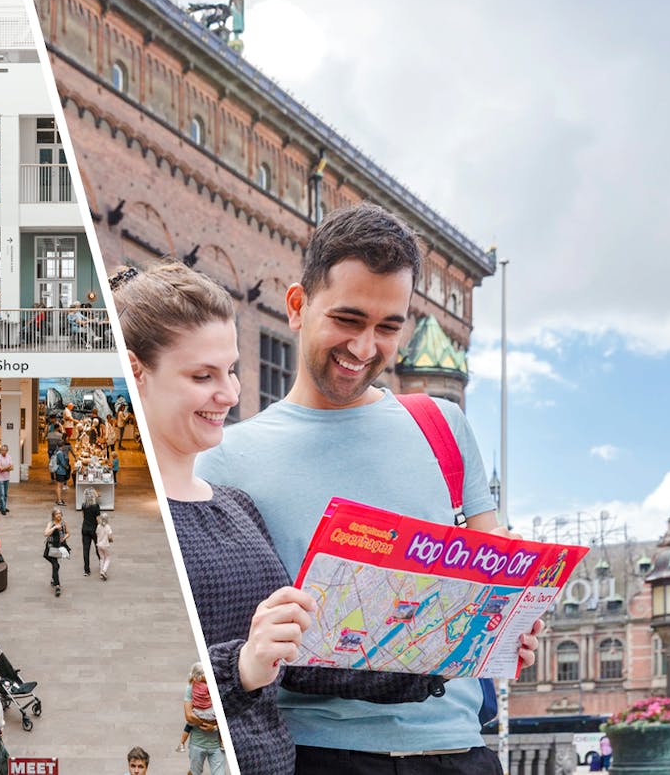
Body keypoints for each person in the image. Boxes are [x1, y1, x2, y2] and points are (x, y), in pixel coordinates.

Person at [190, 205, 542, 772]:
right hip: (318, 752)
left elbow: (494, 562)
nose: (364, 348)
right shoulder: (222, 458)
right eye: (348, 320)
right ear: (298, 305)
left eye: (388, 327)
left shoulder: (443, 426)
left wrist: (514, 621)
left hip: (457, 752)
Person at [113, 260, 456, 774]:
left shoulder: (235, 504)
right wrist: (242, 667)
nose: (228, 394)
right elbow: (138, 673)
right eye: (202, 376)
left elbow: (303, 661)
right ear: (137, 371)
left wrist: (443, 650)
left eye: (230, 370)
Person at [183, 676, 224, 775]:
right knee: (195, 772)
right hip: (197, 744)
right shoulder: (192, 687)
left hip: (217, 746)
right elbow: (189, 718)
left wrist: (214, 727)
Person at [43, 508, 69, 596]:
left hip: (57, 548)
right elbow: (46, 533)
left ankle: (57, 585)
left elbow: (68, 533)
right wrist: (54, 527)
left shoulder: (64, 523)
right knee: (55, 564)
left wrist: (64, 538)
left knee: (55, 565)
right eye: (57, 514)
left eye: (60, 513)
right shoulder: (51, 523)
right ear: (53, 515)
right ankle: (55, 582)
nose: (59, 515)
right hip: (50, 547)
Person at [79, 487, 101, 577]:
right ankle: (102, 563)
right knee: (98, 547)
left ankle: (86, 570)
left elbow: (83, 516)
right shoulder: (96, 506)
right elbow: (98, 520)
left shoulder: (84, 505)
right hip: (94, 529)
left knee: (86, 549)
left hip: (85, 528)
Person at [0, 444, 13, 515]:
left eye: (4, 450)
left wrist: (5, 468)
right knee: (2, 494)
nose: (3, 451)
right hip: (0, 478)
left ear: (7, 451)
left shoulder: (9, 457)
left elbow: (12, 468)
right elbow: (0, 469)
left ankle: (2, 506)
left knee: (5, 494)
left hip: (7, 478)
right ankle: (3, 509)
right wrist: (7, 467)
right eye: (2, 450)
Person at [95, 514, 113, 581]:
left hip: (99, 545)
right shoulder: (108, 527)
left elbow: (96, 533)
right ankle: (104, 571)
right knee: (108, 558)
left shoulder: (98, 526)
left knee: (102, 558)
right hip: (105, 545)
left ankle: (101, 573)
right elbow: (110, 536)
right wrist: (111, 540)